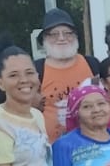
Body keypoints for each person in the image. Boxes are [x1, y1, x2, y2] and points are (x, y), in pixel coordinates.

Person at [33, 8, 99, 142]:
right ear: (44, 39)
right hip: (51, 146)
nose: (62, 38)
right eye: (54, 34)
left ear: (75, 36)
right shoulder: (37, 69)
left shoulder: (92, 64)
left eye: (67, 33)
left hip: (91, 141)